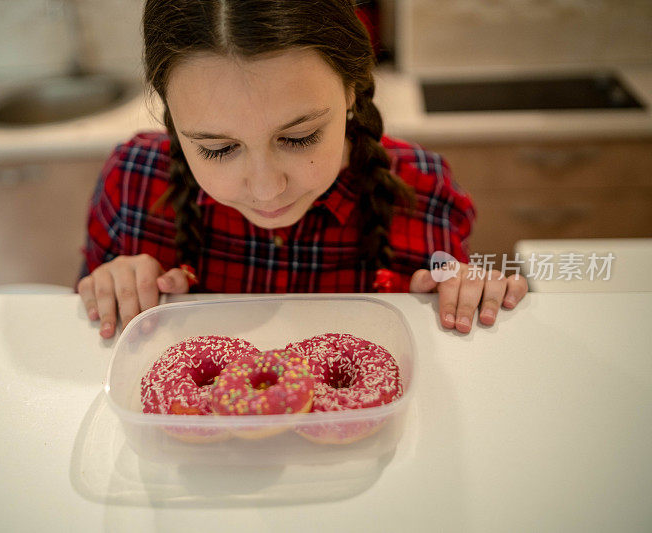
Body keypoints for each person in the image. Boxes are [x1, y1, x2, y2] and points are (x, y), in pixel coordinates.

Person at [78, 0, 527, 339]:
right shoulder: (134, 184)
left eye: (298, 138)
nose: (267, 188)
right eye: (217, 149)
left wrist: (466, 294)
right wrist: (114, 287)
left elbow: (458, 316)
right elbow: (80, 323)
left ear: (352, 90)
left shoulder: (421, 191)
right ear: (172, 119)